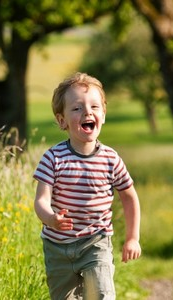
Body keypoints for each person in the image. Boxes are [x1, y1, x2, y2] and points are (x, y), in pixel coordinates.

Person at [33, 72, 141, 300]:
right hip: (58, 247)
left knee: (101, 294)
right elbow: (41, 199)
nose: (87, 112)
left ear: (103, 115)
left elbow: (129, 197)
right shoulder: (53, 158)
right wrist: (50, 218)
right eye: (77, 108)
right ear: (62, 120)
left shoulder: (111, 159)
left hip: (96, 242)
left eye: (94, 106)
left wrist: (132, 237)